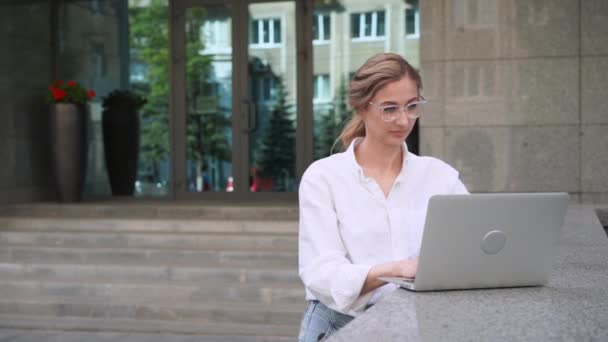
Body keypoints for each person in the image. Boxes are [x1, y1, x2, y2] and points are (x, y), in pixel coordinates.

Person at [297, 53, 469, 342]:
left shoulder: (441, 177)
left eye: (412, 106)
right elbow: (320, 273)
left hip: (420, 326)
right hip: (340, 327)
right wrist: (395, 270)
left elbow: (472, 248)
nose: (403, 120)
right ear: (362, 107)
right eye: (389, 108)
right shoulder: (323, 177)